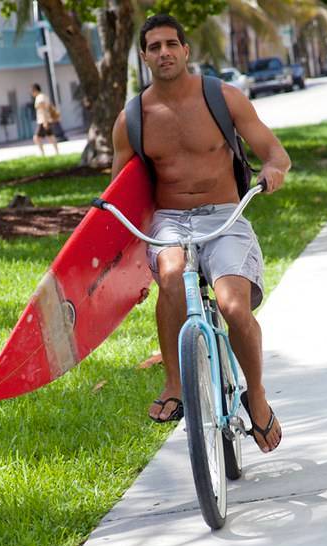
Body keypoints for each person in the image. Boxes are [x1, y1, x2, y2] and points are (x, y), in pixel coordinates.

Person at [110, 14, 291, 453]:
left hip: (225, 217)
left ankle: (258, 396)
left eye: (172, 44)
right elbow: (120, 197)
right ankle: (175, 383)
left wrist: (272, 171)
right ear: (144, 56)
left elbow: (275, 153)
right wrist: (124, 266)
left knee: (232, 305)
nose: (164, 52)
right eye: (155, 47)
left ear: (186, 50)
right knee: (171, 276)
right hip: (171, 220)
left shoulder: (223, 97)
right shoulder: (132, 117)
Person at [31, 83, 60, 156]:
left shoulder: (39, 98)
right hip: (47, 119)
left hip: (43, 120)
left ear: (35, 90)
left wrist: (45, 121)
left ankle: (42, 154)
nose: (32, 93)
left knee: (36, 138)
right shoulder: (45, 96)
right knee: (50, 136)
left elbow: (43, 110)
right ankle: (57, 152)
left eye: (32, 91)